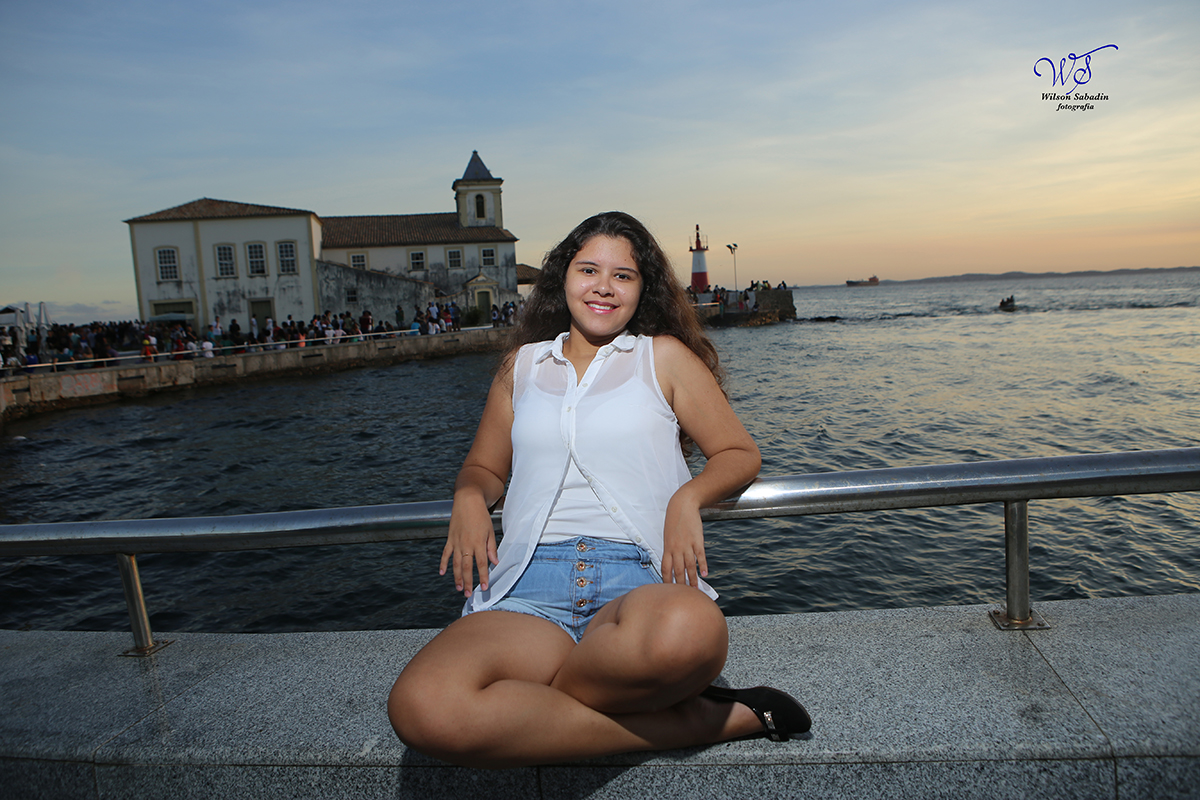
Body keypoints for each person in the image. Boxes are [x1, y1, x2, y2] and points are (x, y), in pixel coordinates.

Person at [387, 211, 809, 769]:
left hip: (637, 583)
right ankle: (697, 721)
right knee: (423, 708)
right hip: (527, 587)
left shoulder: (663, 358)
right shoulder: (523, 367)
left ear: (643, 288)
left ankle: (545, 707)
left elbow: (738, 453)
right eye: (589, 269)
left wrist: (688, 499)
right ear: (563, 277)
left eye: (623, 275)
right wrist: (469, 497)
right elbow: (485, 469)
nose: (603, 287)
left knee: (690, 631)